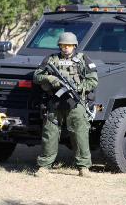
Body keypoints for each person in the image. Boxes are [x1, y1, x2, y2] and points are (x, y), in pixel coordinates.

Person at [33, 32, 98, 178]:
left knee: (80, 133)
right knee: (50, 133)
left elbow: (93, 80)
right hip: (55, 102)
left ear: (74, 46)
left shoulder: (83, 59)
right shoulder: (51, 59)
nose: (66, 48)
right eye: (63, 45)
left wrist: (78, 88)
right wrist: (50, 78)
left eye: (68, 45)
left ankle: (83, 167)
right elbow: (37, 76)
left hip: (75, 103)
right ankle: (44, 166)